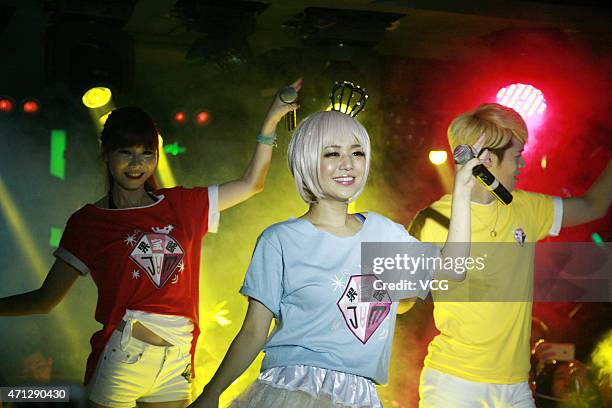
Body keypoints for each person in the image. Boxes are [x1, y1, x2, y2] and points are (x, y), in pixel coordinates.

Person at [0, 79, 302, 408]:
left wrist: (271, 120)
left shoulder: (183, 205)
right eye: (125, 152)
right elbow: (47, 299)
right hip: (123, 356)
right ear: (105, 153)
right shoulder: (89, 223)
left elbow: (251, 184)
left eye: (147, 153)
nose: (137, 163)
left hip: (177, 358)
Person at [191, 108, 485, 408]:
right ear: (307, 162)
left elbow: (454, 268)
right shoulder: (280, 239)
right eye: (332, 154)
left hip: (360, 396)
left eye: (357, 153)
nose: (348, 164)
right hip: (293, 389)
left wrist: (462, 190)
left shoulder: (383, 234)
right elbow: (253, 331)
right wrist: (210, 394)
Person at [409, 103, 612, 407]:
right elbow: (395, 302)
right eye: (517, 157)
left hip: (516, 386)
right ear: (487, 160)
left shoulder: (524, 207)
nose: (523, 164)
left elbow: (594, 205)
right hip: (456, 384)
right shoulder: (435, 220)